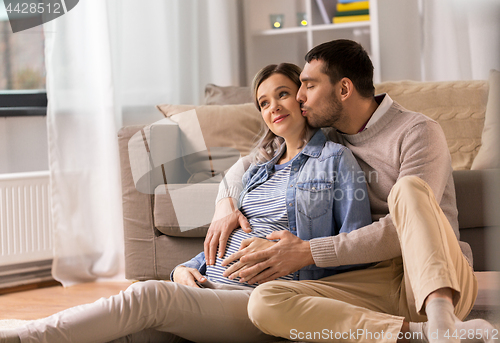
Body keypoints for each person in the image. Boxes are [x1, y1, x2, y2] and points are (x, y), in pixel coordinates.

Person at [0, 63, 372, 343]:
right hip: (205, 285)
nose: (273, 106)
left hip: (262, 297)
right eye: (263, 102)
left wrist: (302, 258)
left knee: (145, 296)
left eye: (283, 94)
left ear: (303, 99)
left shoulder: (335, 160)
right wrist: (182, 269)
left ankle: (27, 335)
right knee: (130, 334)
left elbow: (353, 247)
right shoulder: (258, 171)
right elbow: (225, 238)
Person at [204, 40, 497, 343]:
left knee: (408, 190)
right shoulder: (326, 140)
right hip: (372, 278)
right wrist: (225, 205)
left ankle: (441, 321)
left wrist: (307, 252)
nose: (300, 97)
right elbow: (246, 165)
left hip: (438, 278)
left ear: (343, 90)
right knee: (264, 301)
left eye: (309, 86)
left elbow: (404, 229)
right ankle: (418, 334)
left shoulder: (418, 131)